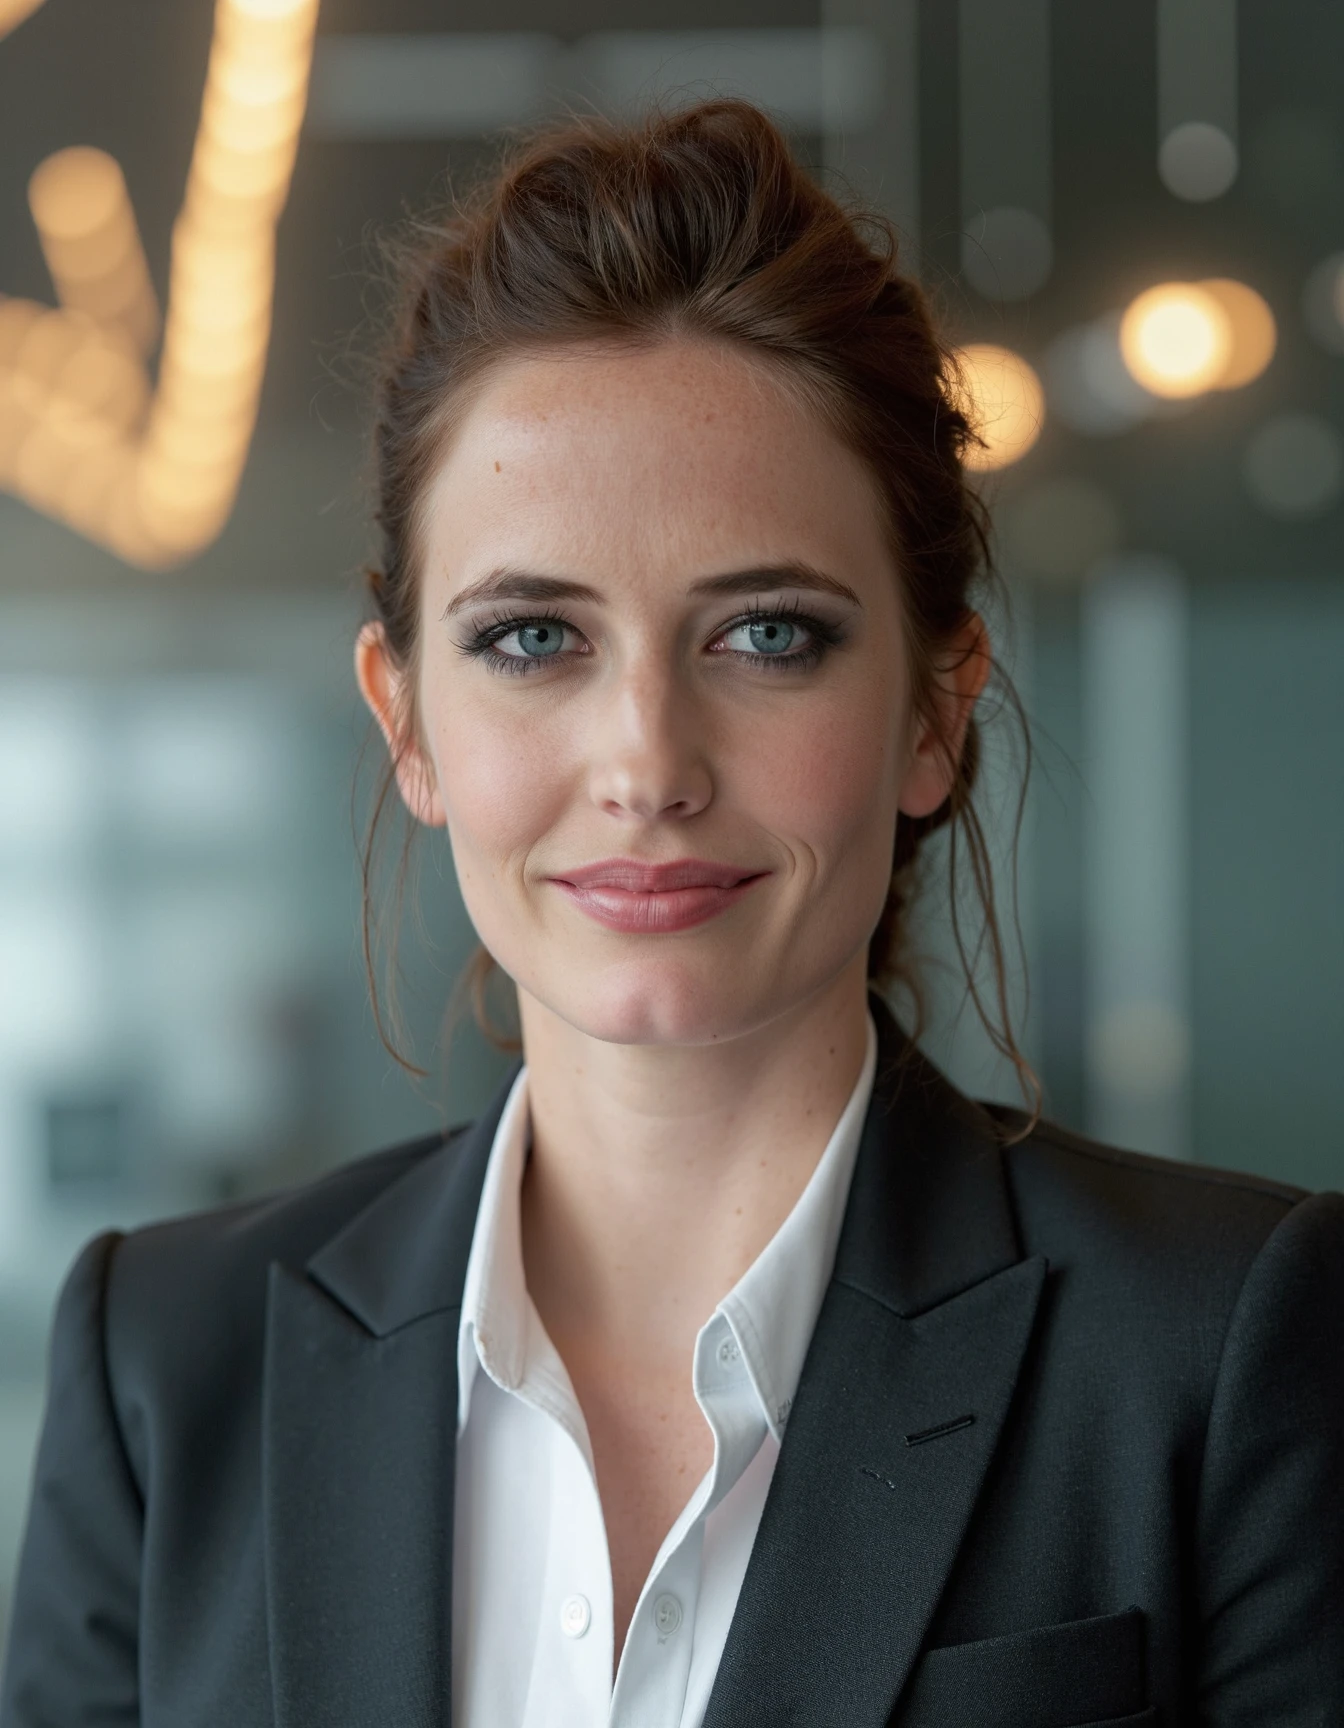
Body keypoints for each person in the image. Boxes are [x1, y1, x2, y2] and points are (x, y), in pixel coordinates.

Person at [1, 96, 1341, 1728]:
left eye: (768, 635)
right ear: (405, 719)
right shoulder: (165, 1364)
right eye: (530, 641)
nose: (646, 763)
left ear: (936, 708)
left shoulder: (1222, 1346)